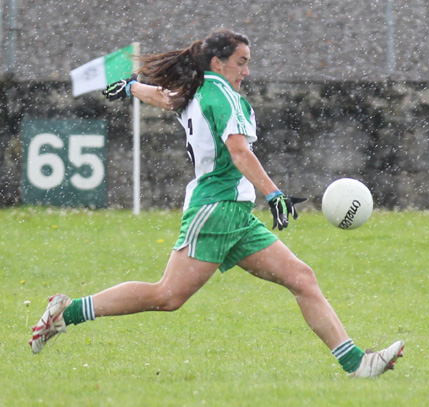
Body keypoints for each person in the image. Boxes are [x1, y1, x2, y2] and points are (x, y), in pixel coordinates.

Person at [30, 29, 404, 377]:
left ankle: (357, 364)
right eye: (241, 61)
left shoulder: (197, 90)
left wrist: (131, 87)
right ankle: (68, 312)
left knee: (302, 278)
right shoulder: (224, 95)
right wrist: (273, 193)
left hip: (234, 214)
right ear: (218, 63)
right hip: (216, 209)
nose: (247, 70)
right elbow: (239, 150)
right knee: (167, 295)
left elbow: (164, 97)